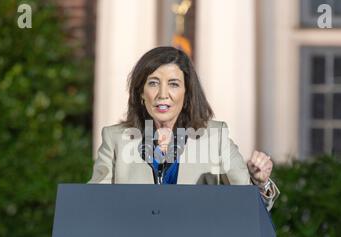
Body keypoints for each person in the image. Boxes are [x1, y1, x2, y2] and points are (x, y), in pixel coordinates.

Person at [89, 46, 280, 211]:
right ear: (141, 92)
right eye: (153, 83)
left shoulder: (215, 137)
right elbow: (92, 204)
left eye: (173, 84)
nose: (163, 94)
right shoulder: (115, 138)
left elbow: (249, 205)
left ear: (186, 93)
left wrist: (260, 182)